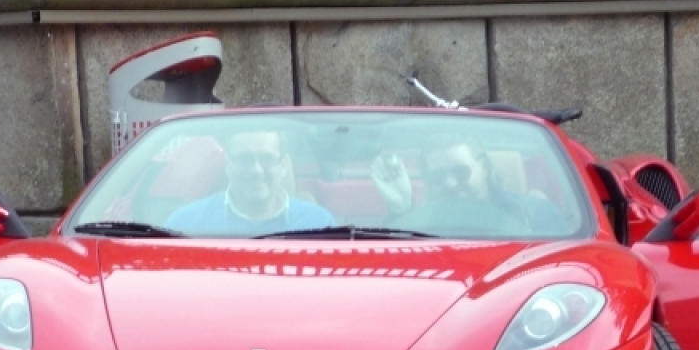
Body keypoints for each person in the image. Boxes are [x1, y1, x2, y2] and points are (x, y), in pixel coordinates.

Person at [371, 137, 564, 237]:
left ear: (485, 168)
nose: (450, 183)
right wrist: (401, 209)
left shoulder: (534, 212)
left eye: (461, 172)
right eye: (438, 177)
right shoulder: (419, 226)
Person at [165, 130, 333, 235]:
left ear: (283, 165)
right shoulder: (185, 225)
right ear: (227, 163)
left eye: (267, 159)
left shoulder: (320, 225)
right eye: (244, 159)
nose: (256, 170)